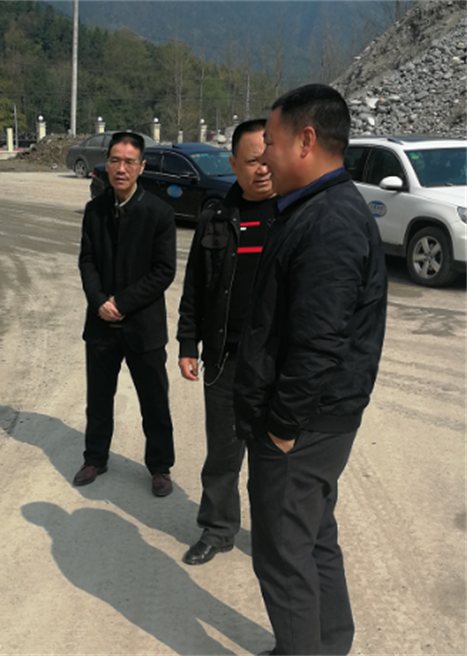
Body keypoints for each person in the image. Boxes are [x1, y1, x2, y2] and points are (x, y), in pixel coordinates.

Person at [234, 85, 387, 656]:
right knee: (314, 535)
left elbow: (318, 343)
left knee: (282, 554)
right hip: (319, 421)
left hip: (304, 425)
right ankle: (326, 644)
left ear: (306, 140)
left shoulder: (329, 221)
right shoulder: (318, 207)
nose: (264, 159)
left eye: (270, 144)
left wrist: (281, 426)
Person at [176, 118, 276, 565]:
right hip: (224, 358)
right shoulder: (215, 217)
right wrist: (187, 344)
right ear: (233, 164)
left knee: (274, 457)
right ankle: (217, 529)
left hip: (275, 362)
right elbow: (195, 287)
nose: (263, 168)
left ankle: (276, 537)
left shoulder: (294, 216)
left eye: (268, 159)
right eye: (253, 161)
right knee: (222, 452)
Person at [75, 131, 177, 496]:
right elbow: (87, 261)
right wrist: (99, 301)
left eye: (129, 162)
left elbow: (164, 271)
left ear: (141, 167)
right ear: (107, 163)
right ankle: (95, 458)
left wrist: (122, 303)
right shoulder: (95, 210)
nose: (121, 168)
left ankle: (160, 467)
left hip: (143, 325)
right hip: (101, 323)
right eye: (115, 160)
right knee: (99, 399)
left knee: (154, 401)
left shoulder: (159, 213)